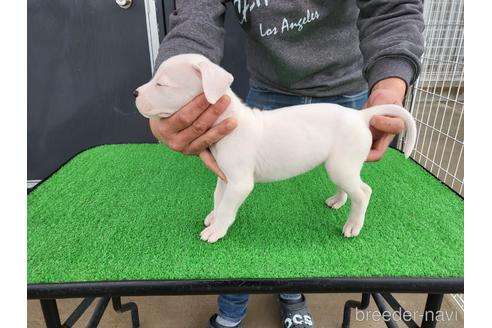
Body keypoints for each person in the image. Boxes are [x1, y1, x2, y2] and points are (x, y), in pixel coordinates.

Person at [149, 1, 424, 327]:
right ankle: (232, 307)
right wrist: (169, 88)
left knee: (337, 175)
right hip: (270, 89)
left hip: (347, 93)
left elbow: (394, 7)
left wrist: (390, 84)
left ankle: (347, 212)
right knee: (256, 194)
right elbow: (195, 15)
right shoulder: (234, 125)